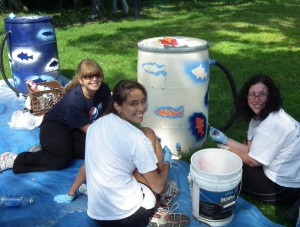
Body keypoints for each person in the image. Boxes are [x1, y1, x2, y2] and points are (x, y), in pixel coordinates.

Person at [85, 80, 190, 226]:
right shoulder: (136, 139)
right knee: (157, 181)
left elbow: (87, 165)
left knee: (147, 133)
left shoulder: (94, 126)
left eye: (143, 101)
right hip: (129, 216)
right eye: (133, 103)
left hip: (97, 213)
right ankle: (164, 199)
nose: (141, 108)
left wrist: (72, 191)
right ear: (117, 106)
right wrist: (166, 164)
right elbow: (157, 186)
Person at [0, 59, 111, 174]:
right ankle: (13, 160)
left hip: (75, 128)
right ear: (81, 80)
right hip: (55, 125)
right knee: (61, 159)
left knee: (95, 149)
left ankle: (48, 150)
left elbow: (107, 112)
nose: (94, 79)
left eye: (97, 75)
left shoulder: (103, 89)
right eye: (89, 76)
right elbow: (91, 130)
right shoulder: (73, 101)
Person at [209, 74, 300, 208]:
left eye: (262, 94)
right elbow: (249, 149)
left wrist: (227, 150)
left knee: (223, 160)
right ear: (246, 97)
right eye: (252, 94)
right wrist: (225, 139)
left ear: (270, 97)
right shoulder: (260, 118)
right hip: (290, 178)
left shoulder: (272, 125)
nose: (257, 99)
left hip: (283, 189)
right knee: (230, 156)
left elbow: (252, 161)